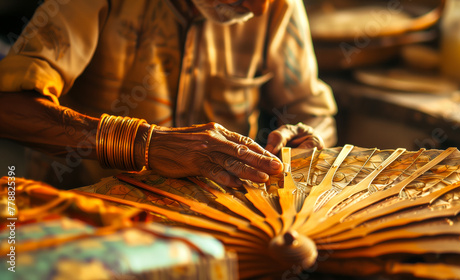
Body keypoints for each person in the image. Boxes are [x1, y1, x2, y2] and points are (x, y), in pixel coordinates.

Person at [0, 0, 337, 188]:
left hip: (216, 226)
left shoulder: (279, 6)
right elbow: (9, 109)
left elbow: (314, 113)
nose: (258, 9)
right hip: (86, 220)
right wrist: (145, 145)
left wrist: (308, 137)